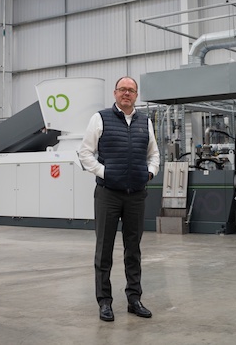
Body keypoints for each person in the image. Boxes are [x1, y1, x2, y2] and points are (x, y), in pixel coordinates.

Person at [78, 76, 160, 322]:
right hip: (108, 195)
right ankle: (104, 302)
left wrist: (150, 172)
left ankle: (134, 299)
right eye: (122, 89)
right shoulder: (100, 118)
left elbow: (154, 153)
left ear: (136, 95)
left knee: (133, 249)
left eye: (131, 90)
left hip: (136, 194)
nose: (127, 93)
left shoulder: (145, 122)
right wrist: (105, 172)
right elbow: (84, 153)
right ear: (115, 93)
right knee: (104, 249)